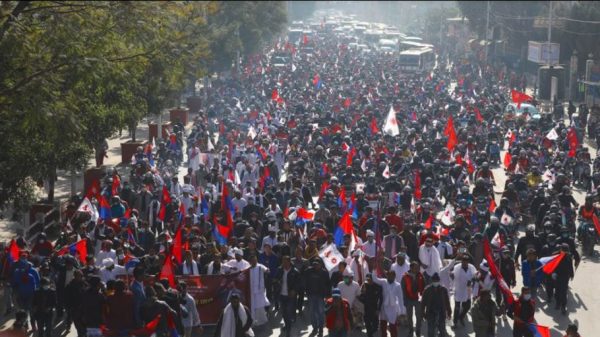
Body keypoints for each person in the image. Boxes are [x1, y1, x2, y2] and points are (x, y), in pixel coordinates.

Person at [371, 270, 406, 337]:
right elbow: (375, 279)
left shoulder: (397, 285)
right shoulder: (384, 282)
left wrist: (402, 311)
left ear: (394, 276)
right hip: (384, 307)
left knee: (393, 327)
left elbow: (401, 298)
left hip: (393, 308)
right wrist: (374, 270)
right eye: (389, 276)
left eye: (392, 276)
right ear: (387, 276)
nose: (390, 277)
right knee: (383, 326)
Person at [274, 255, 300, 337]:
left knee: (288, 313)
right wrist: (276, 281)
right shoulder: (279, 270)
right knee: (284, 313)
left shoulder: (295, 271)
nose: (283, 263)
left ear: (289, 262)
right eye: (282, 261)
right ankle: (287, 325)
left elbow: (299, 283)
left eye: (285, 261)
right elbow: (275, 278)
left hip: (290, 296)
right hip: (282, 295)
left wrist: (294, 290)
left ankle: (288, 330)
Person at [304, 259, 331, 337]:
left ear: (321, 265)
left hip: (321, 296)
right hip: (311, 295)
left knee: (321, 312)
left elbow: (328, 284)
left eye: (317, 264)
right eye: (314, 264)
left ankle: (321, 329)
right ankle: (315, 328)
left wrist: (328, 295)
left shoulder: (325, 272)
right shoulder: (309, 271)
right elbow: (303, 277)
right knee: (312, 312)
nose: (316, 265)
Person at [450, 255, 477, 328]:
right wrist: (451, 275)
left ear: (468, 262)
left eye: (466, 262)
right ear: (461, 261)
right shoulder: (457, 267)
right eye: (463, 262)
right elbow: (452, 273)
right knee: (457, 307)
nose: (464, 264)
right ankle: (455, 322)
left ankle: (461, 317)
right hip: (458, 289)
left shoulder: (471, 267)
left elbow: (475, 275)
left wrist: (471, 281)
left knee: (467, 306)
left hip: (467, 289)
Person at [401, 261, 424, 337]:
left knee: (419, 316)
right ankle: (411, 329)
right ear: (411, 268)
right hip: (409, 299)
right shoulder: (405, 277)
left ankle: (418, 330)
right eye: (416, 268)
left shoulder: (420, 275)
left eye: (418, 268)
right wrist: (404, 300)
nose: (418, 269)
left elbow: (424, 287)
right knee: (409, 316)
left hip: (418, 299)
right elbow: (403, 289)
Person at [248, 254, 269, 326]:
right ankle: (253, 321)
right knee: (253, 307)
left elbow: (267, 270)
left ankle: (262, 321)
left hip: (260, 291)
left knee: (260, 306)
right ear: (250, 261)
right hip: (252, 291)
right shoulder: (248, 269)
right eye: (253, 260)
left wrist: (267, 270)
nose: (254, 261)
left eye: (255, 260)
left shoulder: (260, 266)